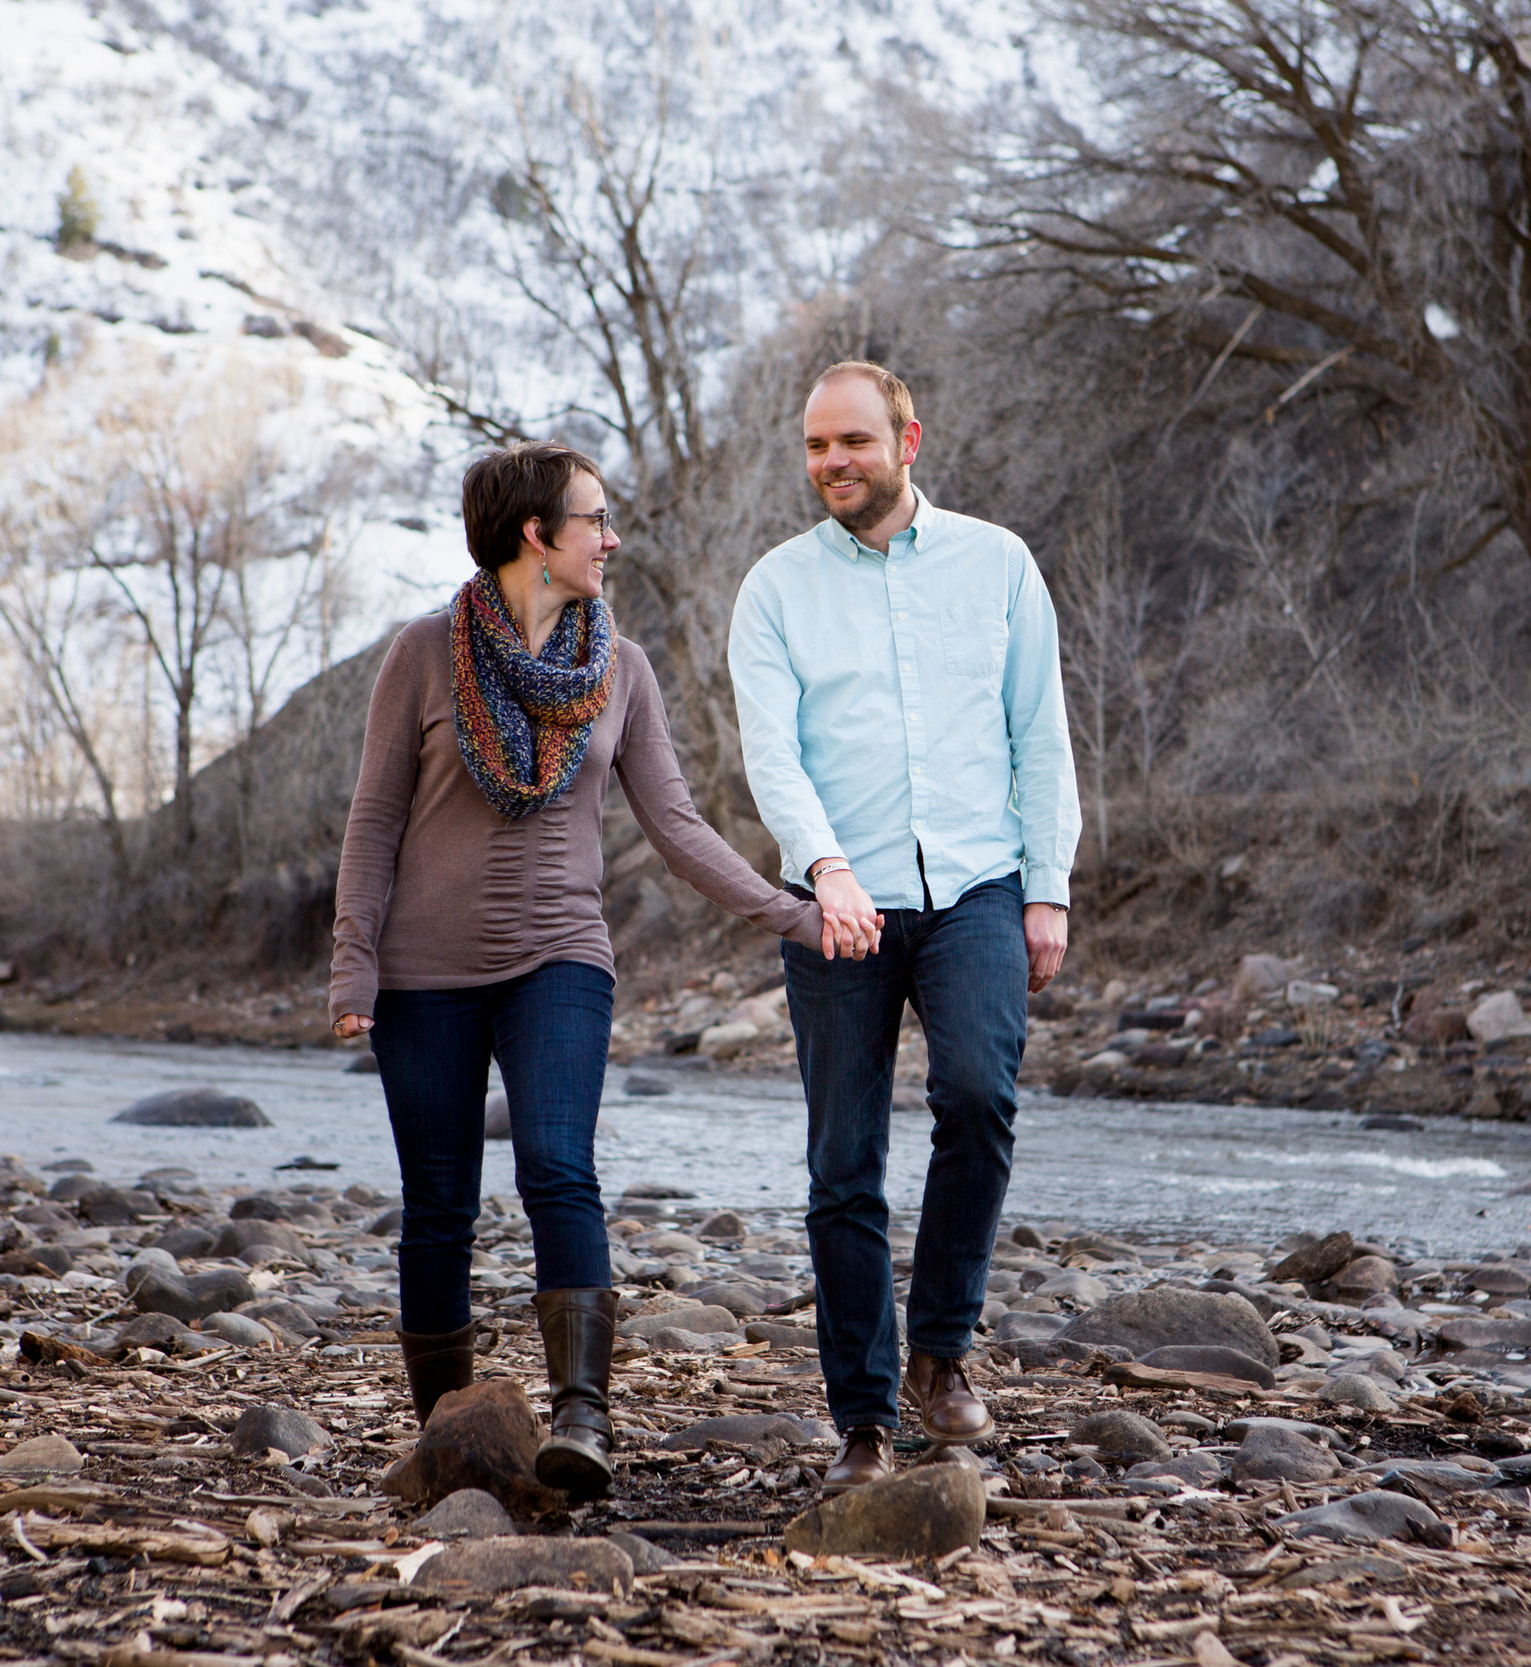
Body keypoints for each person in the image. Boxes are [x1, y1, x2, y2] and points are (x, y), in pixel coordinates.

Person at [329, 440, 878, 1503]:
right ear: (537, 534)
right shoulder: (419, 655)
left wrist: (793, 912)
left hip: (561, 957)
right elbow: (374, 818)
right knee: (437, 1198)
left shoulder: (619, 669)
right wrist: (354, 963)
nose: (611, 536)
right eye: (594, 518)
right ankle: (447, 1435)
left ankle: (582, 1414)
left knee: (555, 1163)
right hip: (422, 973)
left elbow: (672, 822)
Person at [728, 361, 1080, 1490]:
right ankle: (863, 1421)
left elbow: (1041, 733)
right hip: (838, 897)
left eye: (854, 442)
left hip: (979, 881)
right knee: (844, 1162)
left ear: (908, 438)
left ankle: (940, 1352)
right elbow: (771, 754)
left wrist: (1048, 884)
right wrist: (823, 865)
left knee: (979, 1096)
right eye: (817, 446)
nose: (833, 463)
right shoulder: (774, 588)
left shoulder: (999, 565)